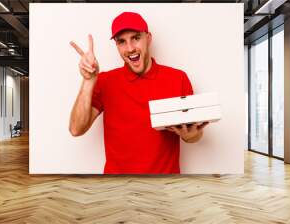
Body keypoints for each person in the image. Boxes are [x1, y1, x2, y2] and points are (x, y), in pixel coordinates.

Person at [69, 12, 208, 174]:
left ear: (148, 38)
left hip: (164, 188)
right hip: (117, 188)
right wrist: (88, 81)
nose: (130, 48)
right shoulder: (105, 81)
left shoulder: (178, 78)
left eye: (136, 38)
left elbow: (194, 134)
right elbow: (76, 129)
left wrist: (190, 136)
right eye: (122, 41)